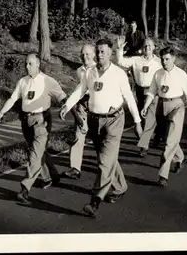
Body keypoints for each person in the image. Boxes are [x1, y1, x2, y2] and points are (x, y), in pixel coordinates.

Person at [60, 39, 143, 218]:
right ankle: (120, 186)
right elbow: (80, 90)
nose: (99, 55)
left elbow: (129, 97)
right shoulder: (90, 72)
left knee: (104, 163)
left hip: (114, 120)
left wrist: (137, 121)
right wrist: (67, 106)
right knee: (106, 157)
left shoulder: (118, 74)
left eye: (103, 52)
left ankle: (95, 202)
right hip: (94, 120)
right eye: (97, 52)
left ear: (111, 53)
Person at [0, 54, 67, 205]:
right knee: (38, 151)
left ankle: (25, 189)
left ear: (38, 64)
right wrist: (2, 112)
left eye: (30, 64)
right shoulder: (23, 81)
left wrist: (69, 110)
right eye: (26, 63)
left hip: (42, 121)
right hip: (26, 122)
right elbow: (13, 98)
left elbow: (62, 96)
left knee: (34, 155)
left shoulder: (47, 81)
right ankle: (51, 176)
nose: (27, 66)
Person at [140, 46, 187, 187]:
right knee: (168, 138)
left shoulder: (181, 74)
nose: (164, 62)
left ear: (173, 59)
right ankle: (180, 157)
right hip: (161, 106)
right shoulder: (158, 74)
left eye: (167, 59)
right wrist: (146, 106)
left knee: (169, 142)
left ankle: (163, 175)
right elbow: (151, 92)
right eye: (162, 59)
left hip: (177, 106)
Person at [116, 36, 164, 157]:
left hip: (153, 93)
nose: (147, 47)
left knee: (149, 118)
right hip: (139, 92)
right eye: (145, 46)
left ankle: (144, 146)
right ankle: (157, 135)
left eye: (150, 45)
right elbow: (121, 61)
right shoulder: (136, 60)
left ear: (154, 48)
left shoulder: (159, 62)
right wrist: (120, 49)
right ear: (142, 48)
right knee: (141, 119)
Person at [62, 44, 97, 180]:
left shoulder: (98, 69)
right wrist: (68, 105)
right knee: (79, 134)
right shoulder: (79, 71)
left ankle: (106, 166)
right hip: (83, 105)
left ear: (94, 55)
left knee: (99, 139)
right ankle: (75, 168)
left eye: (88, 54)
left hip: (96, 105)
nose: (85, 57)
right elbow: (79, 90)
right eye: (82, 54)